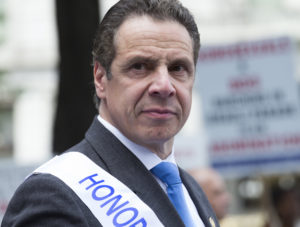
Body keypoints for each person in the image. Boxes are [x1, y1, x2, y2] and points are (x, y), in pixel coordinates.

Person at [1, 0, 219, 226]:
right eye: (140, 66)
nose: (164, 86)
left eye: (178, 68)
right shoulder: (54, 195)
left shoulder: (190, 188)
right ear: (100, 78)